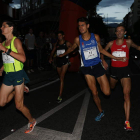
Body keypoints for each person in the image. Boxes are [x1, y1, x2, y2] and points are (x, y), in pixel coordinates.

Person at [59, 17, 125, 121]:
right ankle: (100, 111)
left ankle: (103, 85)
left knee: (107, 92)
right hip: (86, 69)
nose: (81, 27)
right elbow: (72, 48)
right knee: (94, 92)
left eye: (83, 25)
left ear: (88, 26)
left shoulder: (96, 37)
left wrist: (116, 58)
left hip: (97, 66)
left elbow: (102, 50)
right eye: (79, 26)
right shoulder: (78, 39)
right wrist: (63, 54)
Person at [101, 24, 140, 131]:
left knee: (127, 95)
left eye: (121, 31)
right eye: (117, 31)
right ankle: (110, 85)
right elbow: (103, 52)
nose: (119, 32)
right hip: (114, 71)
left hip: (125, 72)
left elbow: (138, 47)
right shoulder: (110, 43)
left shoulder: (128, 42)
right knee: (111, 88)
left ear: (125, 32)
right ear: (115, 33)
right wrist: (103, 60)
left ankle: (127, 122)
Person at [0, 20, 36, 133]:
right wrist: (2, 68)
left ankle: (32, 120)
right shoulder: (4, 42)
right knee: (1, 102)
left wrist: (4, 49)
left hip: (18, 75)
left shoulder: (16, 41)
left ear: (11, 28)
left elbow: (23, 59)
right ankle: (16, 91)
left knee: (19, 106)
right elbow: (8, 60)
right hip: (8, 75)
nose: (1, 27)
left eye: (4, 26)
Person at [49, 31, 72, 103]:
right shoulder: (57, 44)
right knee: (61, 77)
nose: (59, 37)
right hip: (58, 62)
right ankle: (62, 86)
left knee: (61, 77)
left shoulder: (67, 43)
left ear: (63, 36)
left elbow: (71, 49)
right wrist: (50, 58)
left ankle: (60, 95)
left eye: (60, 35)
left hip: (65, 62)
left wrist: (64, 54)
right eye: (58, 36)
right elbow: (53, 51)